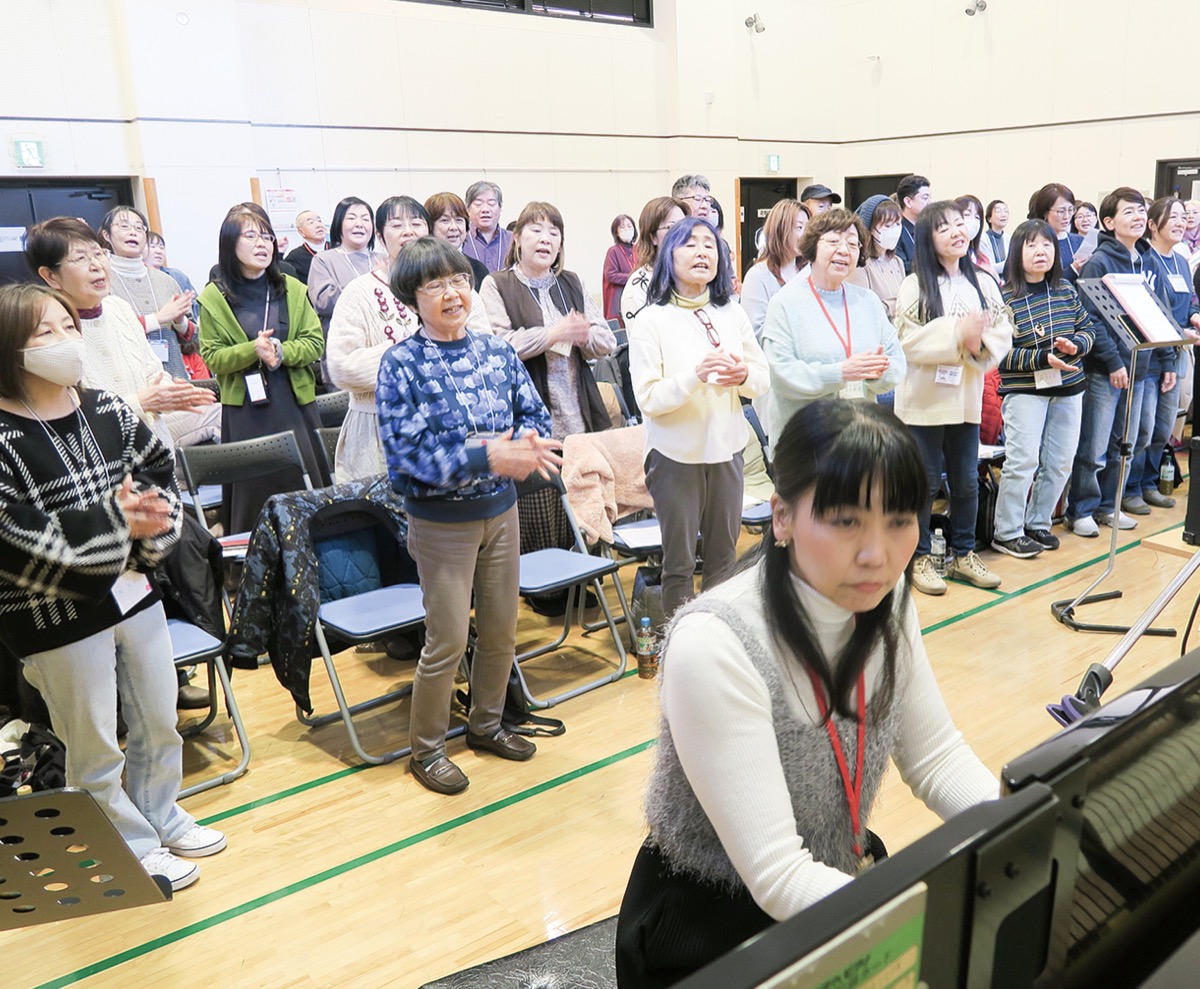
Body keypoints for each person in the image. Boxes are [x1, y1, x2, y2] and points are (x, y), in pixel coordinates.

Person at [614, 399, 998, 989]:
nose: (877, 554)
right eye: (846, 521)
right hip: (714, 924)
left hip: (832, 880)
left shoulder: (887, 598)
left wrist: (1027, 825)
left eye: (900, 520)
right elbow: (776, 873)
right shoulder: (714, 643)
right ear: (782, 518)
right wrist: (910, 931)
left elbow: (937, 759)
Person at [0, 282, 228, 892]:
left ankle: (162, 815)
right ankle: (127, 844)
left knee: (158, 717)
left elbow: (158, 472)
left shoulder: (104, 407)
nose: (64, 340)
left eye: (67, 327)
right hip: (53, 614)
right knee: (94, 742)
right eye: (44, 332)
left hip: (133, 590)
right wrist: (117, 523)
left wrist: (150, 526)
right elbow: (15, 539)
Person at [376, 237, 561, 795]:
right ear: (413, 297)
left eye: (458, 280)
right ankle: (427, 750)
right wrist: (488, 456)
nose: (452, 293)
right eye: (435, 285)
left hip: (501, 512)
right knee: (448, 640)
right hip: (440, 525)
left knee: (502, 631)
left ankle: (486, 724)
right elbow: (409, 458)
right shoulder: (400, 364)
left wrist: (529, 443)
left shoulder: (496, 352)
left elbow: (535, 416)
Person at [629, 215, 769, 619]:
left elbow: (762, 378)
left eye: (710, 244)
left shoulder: (731, 312)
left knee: (725, 560)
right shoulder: (651, 319)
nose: (702, 252)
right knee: (679, 564)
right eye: (689, 244)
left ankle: (717, 637)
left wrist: (742, 376)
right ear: (668, 257)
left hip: (727, 451)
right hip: (674, 457)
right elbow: (649, 398)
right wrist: (696, 376)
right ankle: (680, 643)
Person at [893, 200, 1013, 595]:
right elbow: (906, 340)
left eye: (960, 224)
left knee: (966, 482)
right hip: (923, 402)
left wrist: (978, 345)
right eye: (943, 227)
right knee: (924, 484)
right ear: (927, 239)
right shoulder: (914, 284)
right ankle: (918, 557)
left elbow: (1002, 332)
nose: (956, 232)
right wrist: (957, 334)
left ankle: (964, 554)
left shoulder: (984, 282)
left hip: (965, 398)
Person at [327, 196, 490, 482]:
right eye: (396, 225)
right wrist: (416, 357)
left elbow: (483, 347)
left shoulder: (456, 286)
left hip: (451, 423)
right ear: (380, 237)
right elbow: (342, 367)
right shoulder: (358, 292)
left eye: (416, 223)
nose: (408, 232)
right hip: (376, 431)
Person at [27, 218, 218, 451]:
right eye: (80, 258)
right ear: (51, 276)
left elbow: (153, 370)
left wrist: (168, 393)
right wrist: (141, 403)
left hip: (153, 447)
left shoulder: (119, 308)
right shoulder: (48, 332)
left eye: (98, 254)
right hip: (101, 457)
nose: (96, 265)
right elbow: (69, 415)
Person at [198, 203, 329, 532]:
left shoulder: (292, 289)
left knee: (304, 489)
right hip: (245, 411)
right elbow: (213, 356)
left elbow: (315, 343)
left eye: (267, 236)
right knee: (254, 494)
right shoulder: (214, 298)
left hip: (294, 404)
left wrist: (281, 351)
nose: (262, 244)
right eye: (251, 236)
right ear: (230, 244)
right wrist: (251, 350)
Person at [1066, 187, 1173, 537]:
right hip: (1106, 370)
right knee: (1095, 446)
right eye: (1129, 212)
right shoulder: (1099, 261)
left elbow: (1155, 312)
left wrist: (1166, 358)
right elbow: (1092, 318)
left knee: (1127, 442)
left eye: (1141, 210)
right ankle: (1081, 509)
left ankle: (1108, 505)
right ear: (1109, 222)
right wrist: (1113, 361)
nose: (1139, 217)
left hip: (1141, 367)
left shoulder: (1144, 260)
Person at [990, 220, 1096, 558]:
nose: (1041, 252)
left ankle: (1038, 522)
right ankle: (1007, 532)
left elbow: (1088, 328)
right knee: (1023, 461)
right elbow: (999, 353)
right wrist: (1041, 359)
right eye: (1032, 245)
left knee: (1060, 462)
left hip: (1069, 388)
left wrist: (1076, 346)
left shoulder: (1065, 290)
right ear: (1016, 252)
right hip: (1025, 391)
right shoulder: (1004, 298)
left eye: (1047, 245)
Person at [762, 207, 906, 439]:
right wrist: (840, 373)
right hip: (805, 439)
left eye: (852, 244)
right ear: (812, 247)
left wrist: (875, 374)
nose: (844, 250)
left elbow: (897, 361)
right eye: (833, 241)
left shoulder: (868, 301)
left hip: (860, 436)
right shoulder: (785, 303)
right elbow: (780, 373)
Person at [1129, 196, 1200, 512]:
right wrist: (1179, 331)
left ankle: (1148, 482)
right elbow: (1151, 309)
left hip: (1178, 354)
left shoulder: (1181, 261)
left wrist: (1195, 316)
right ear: (1153, 225)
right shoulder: (1147, 261)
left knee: (1163, 428)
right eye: (1173, 217)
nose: (1180, 222)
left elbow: (1190, 300)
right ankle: (1130, 488)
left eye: (1183, 217)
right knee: (1143, 429)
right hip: (1151, 357)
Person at [98, 206, 198, 385]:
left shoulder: (166, 280)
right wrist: (158, 318)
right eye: (124, 226)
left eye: (139, 227)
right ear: (107, 235)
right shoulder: (101, 282)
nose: (133, 232)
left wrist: (180, 321)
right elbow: (106, 333)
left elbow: (193, 339)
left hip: (175, 377)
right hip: (131, 383)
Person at [306, 196, 378, 333]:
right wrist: (372, 285)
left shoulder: (384, 260)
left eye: (365, 219)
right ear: (339, 224)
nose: (359, 224)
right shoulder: (323, 260)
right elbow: (323, 303)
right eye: (351, 218)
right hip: (344, 338)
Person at [740, 199, 809, 338]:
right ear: (780, 229)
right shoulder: (757, 276)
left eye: (807, 228)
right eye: (799, 227)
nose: (805, 235)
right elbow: (756, 332)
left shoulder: (809, 271)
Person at [621, 196, 689, 330]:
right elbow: (641, 338)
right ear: (652, 237)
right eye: (671, 227)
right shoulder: (639, 286)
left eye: (684, 226)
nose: (681, 234)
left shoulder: (691, 277)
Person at [848, 195, 905, 318]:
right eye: (888, 226)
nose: (895, 230)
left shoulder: (897, 261)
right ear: (871, 229)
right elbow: (863, 309)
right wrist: (896, 305)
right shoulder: (860, 265)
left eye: (898, 224)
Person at [425, 191, 490, 288]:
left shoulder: (478, 269)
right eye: (445, 220)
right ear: (430, 227)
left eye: (459, 220)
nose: (454, 227)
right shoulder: (421, 268)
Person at [1027, 183, 1087, 282]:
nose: (1066, 216)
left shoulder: (1079, 241)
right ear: (1045, 212)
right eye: (1061, 211)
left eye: (1071, 210)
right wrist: (1072, 270)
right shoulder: (1032, 242)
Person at [461, 180, 512, 273]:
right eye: (478, 204)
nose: (485, 209)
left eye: (491, 204)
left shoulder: (514, 240)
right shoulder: (461, 239)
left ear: (500, 208)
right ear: (467, 209)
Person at [602, 214, 637, 325]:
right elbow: (610, 275)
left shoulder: (639, 249)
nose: (627, 229)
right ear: (616, 232)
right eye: (622, 227)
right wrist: (633, 278)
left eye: (629, 226)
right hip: (619, 299)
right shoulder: (613, 251)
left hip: (637, 297)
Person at [955, 194, 997, 281]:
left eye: (977, 217)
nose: (973, 221)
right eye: (967, 214)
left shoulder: (982, 258)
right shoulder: (949, 255)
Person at [895, 174, 931, 275]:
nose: (929, 202)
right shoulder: (896, 231)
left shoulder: (927, 229)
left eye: (930, 197)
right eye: (925, 198)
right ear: (908, 202)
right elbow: (902, 268)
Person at [284, 209, 328, 285]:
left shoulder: (338, 248)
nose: (318, 225)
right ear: (301, 232)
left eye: (319, 221)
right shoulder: (295, 257)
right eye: (311, 222)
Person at [979, 200, 1010, 271]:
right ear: (989, 218)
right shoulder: (983, 239)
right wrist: (1009, 264)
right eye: (998, 211)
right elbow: (987, 268)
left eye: (1006, 211)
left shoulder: (1008, 238)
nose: (1003, 214)